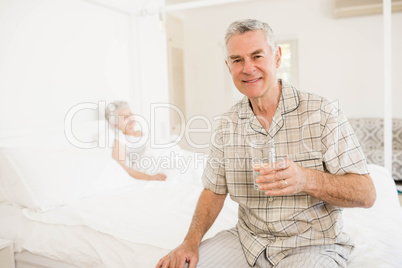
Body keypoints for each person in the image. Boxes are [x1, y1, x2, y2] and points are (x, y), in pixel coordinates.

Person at [156, 19, 376, 268]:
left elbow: (366, 193)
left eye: (257, 56)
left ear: (277, 57)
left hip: (311, 245)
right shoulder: (227, 124)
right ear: (229, 66)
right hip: (247, 241)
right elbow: (214, 190)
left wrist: (306, 179)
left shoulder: (322, 112)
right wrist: (190, 242)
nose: (248, 68)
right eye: (237, 60)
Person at [105, 101, 167, 181]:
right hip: (156, 166)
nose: (130, 118)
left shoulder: (141, 131)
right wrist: (149, 177)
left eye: (130, 114)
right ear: (115, 124)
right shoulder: (120, 140)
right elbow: (121, 167)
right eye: (125, 117)